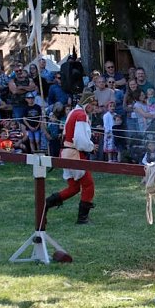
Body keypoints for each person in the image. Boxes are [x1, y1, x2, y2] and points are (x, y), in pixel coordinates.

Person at [44, 93, 99, 225]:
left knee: (74, 187)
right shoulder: (81, 115)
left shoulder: (73, 112)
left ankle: (46, 203)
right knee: (88, 184)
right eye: (92, 105)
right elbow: (80, 140)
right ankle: (82, 218)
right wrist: (91, 147)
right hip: (74, 153)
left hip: (66, 152)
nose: (93, 108)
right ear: (87, 103)